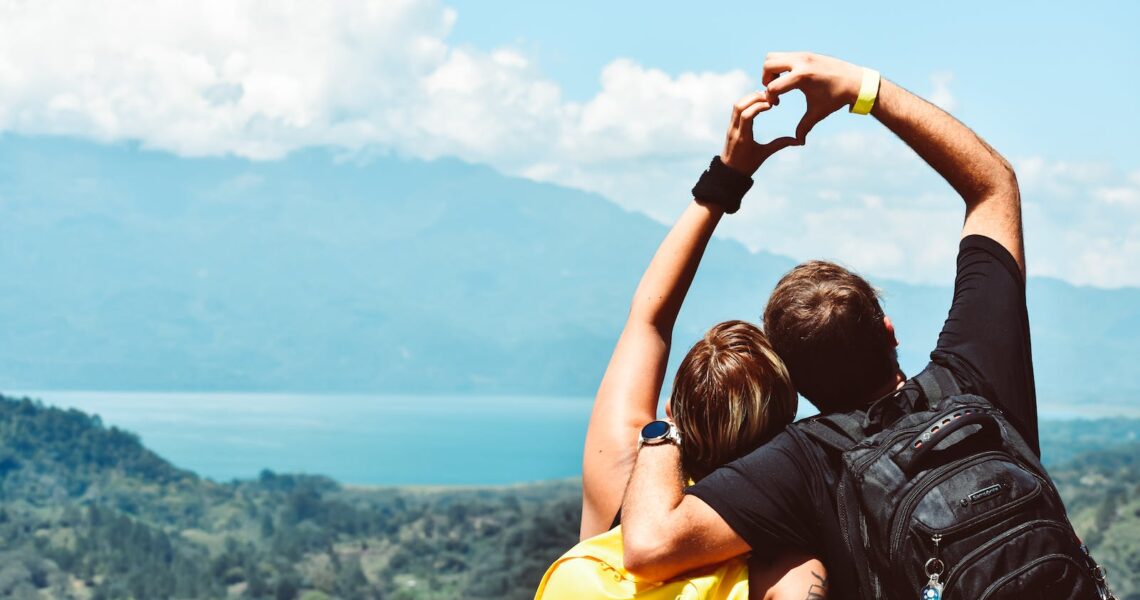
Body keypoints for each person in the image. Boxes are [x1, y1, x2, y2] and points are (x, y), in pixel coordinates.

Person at [617, 51, 1042, 598]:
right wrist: (862, 89)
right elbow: (994, 184)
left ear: (795, 384)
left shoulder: (805, 465)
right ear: (889, 331)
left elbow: (648, 545)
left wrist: (665, 430)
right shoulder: (976, 378)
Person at [573, 90, 827, 598]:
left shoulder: (620, 477)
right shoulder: (786, 565)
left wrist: (726, 179)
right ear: (782, 428)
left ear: (672, 409)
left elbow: (650, 317)